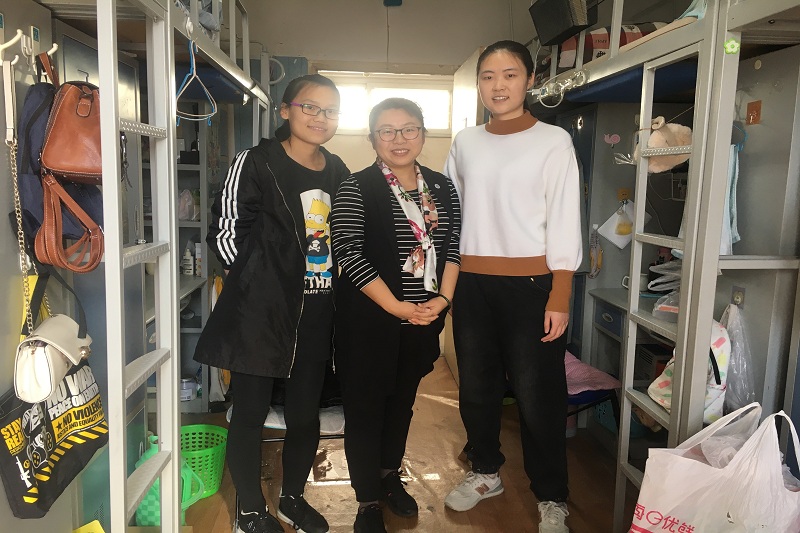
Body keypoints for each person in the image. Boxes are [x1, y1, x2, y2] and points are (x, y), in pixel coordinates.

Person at [194, 74, 350, 533]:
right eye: (310, 107)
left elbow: (343, 235)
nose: (320, 118)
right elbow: (226, 234)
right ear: (285, 111)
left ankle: (292, 499)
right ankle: (249, 509)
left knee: (305, 416)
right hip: (260, 316)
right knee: (250, 413)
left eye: (331, 111)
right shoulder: (257, 162)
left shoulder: (338, 169)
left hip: (317, 314)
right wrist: (257, 287)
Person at [442, 40, 582, 533]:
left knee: (537, 393)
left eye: (509, 75)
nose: (498, 86)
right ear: (479, 84)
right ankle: (486, 472)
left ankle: (552, 496)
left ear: (529, 80)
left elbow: (564, 216)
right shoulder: (465, 142)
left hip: (533, 286)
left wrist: (560, 293)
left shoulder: (553, 141)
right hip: (472, 284)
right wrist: (447, 285)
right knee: (476, 388)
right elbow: (449, 215)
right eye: (488, 76)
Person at [331, 98, 461, 533]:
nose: (398, 139)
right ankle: (367, 500)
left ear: (422, 133)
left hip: (423, 320)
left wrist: (443, 301)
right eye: (387, 131)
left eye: (408, 129)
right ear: (372, 139)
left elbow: (453, 248)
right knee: (365, 409)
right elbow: (348, 253)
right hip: (369, 323)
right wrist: (397, 307)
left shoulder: (441, 187)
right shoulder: (356, 187)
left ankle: (389, 477)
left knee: (401, 403)